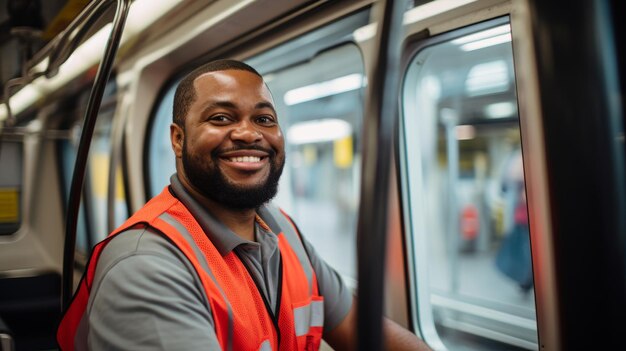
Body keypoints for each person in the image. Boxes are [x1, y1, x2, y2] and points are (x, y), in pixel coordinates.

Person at [57, 59, 431, 350]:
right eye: (221, 118)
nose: (249, 133)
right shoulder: (144, 266)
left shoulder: (282, 231)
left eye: (264, 118)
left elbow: (362, 330)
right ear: (177, 139)